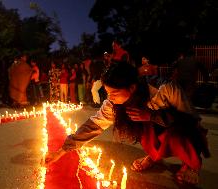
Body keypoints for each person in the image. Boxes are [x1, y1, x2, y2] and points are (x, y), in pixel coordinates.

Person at [44, 61, 210, 185]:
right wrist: (63, 150)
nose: (111, 98)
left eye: (114, 93)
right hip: (154, 129)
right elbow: (94, 124)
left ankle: (191, 164)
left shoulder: (165, 90)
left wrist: (153, 116)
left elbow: (191, 120)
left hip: (179, 129)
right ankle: (154, 156)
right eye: (108, 93)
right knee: (139, 125)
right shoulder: (113, 103)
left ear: (132, 88)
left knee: (177, 130)